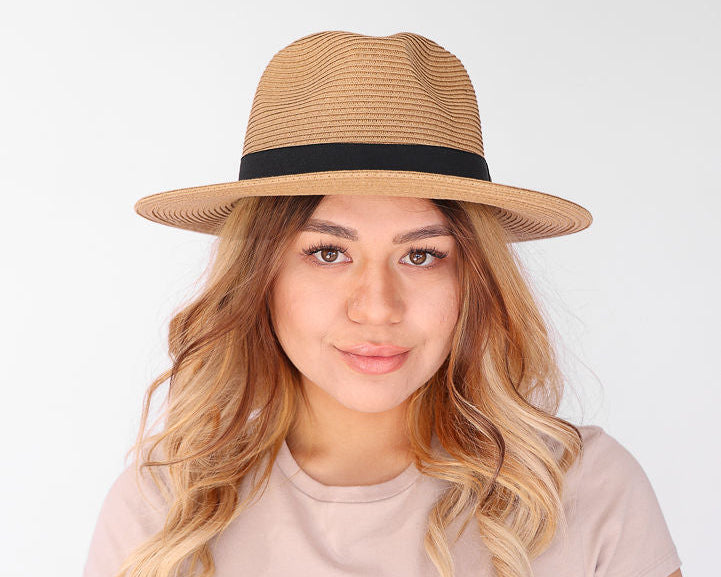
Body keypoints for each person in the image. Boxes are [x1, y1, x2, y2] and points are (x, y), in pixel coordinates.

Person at [82, 30, 683, 577]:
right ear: (260, 277)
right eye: (328, 253)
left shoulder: (584, 488)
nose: (376, 308)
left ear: (474, 279)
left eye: (420, 255)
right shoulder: (165, 508)